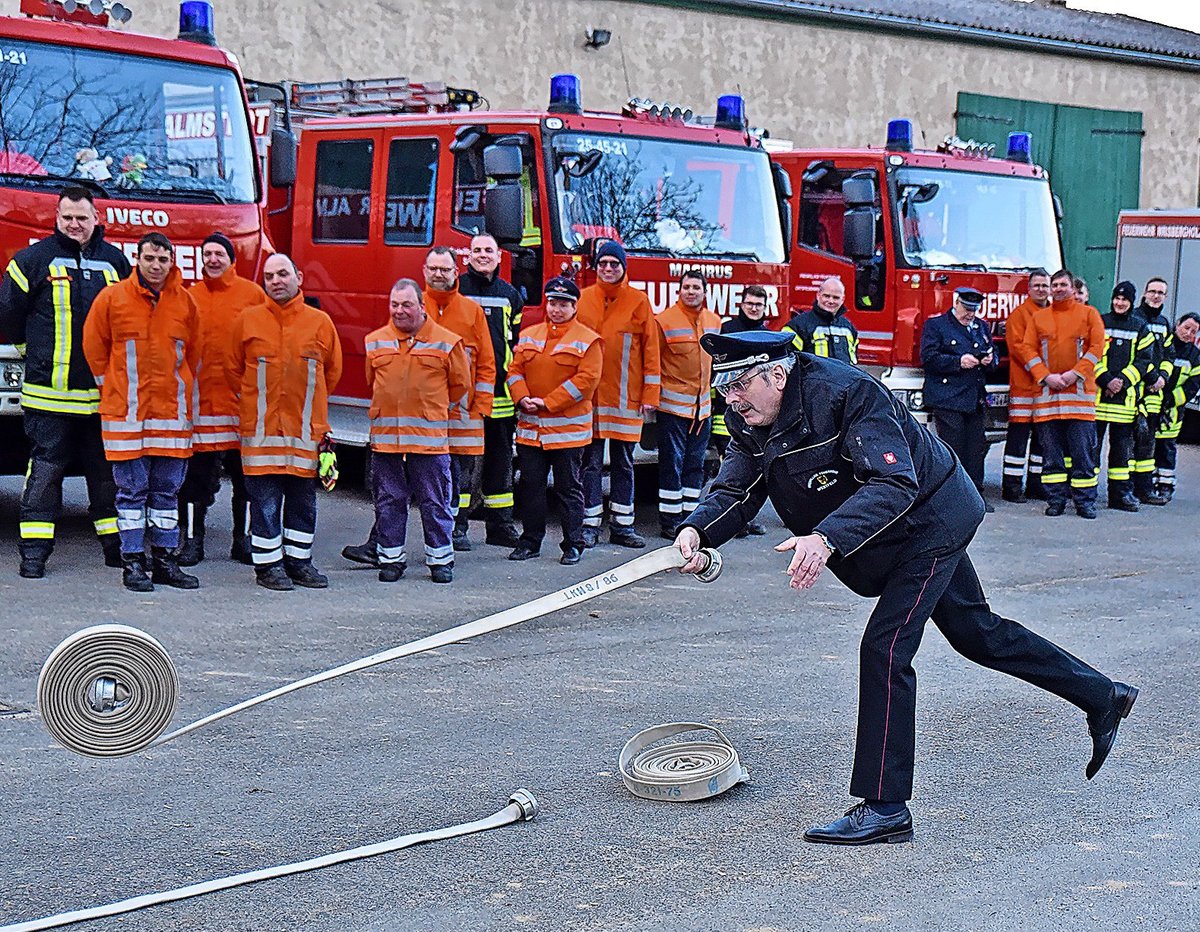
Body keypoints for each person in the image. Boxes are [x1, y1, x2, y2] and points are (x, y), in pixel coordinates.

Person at [675, 329, 1136, 845]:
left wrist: (825, 539)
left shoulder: (850, 393)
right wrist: (697, 530)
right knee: (977, 633)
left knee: (885, 648)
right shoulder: (751, 414)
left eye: (737, 387)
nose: (729, 401)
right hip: (887, 532)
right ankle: (1104, 695)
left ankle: (886, 806)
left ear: (776, 375)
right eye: (723, 389)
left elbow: (894, 483)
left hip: (930, 520)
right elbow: (738, 487)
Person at [0, 185, 128, 578]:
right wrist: (30, 352)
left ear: (96, 219)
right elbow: (7, 316)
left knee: (105, 476)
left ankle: (116, 549)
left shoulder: (116, 264)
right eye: (67, 217)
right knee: (44, 474)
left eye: (81, 218)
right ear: (56, 219)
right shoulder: (32, 261)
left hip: (99, 397)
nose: (74, 224)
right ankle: (34, 555)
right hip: (48, 397)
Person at [82, 232, 200, 592]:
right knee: (131, 494)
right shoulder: (113, 298)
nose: (156, 265)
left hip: (171, 417)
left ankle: (165, 561)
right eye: (150, 258)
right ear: (138, 258)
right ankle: (132, 563)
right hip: (127, 416)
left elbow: (193, 355)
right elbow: (93, 345)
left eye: (163, 259)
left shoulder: (186, 303)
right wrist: (112, 387)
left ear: (172, 261)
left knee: (167, 494)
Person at [227, 254, 343, 591]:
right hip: (261, 435)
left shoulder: (320, 323)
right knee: (264, 505)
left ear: (299, 277)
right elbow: (233, 371)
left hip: (305, 434)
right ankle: (267, 568)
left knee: (303, 504)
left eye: (282, 274)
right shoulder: (247, 321)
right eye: (269, 276)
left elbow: (331, 373)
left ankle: (299, 564)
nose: (276, 280)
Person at [365, 278, 470, 583]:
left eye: (406, 304)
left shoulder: (447, 342)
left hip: (429, 442)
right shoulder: (375, 341)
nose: (399, 311)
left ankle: (440, 561)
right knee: (388, 502)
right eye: (394, 304)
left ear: (422, 307)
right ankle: (391, 559)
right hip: (386, 442)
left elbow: (460, 385)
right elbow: (371, 381)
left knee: (434, 501)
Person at [178, 232, 266, 565]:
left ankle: (241, 541)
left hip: (240, 406)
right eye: (208, 254)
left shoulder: (252, 295)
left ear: (232, 259)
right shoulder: (189, 296)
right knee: (193, 482)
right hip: (200, 408)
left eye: (219, 254)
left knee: (245, 482)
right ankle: (192, 541)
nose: (213, 259)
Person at [506, 277, 602, 565]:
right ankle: (530, 541)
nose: (557, 309)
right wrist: (521, 396)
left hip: (568, 432)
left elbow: (585, 382)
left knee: (568, 489)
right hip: (531, 429)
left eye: (563, 304)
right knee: (531, 486)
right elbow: (514, 370)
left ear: (574, 307)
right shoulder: (530, 333)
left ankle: (573, 543)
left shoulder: (588, 339)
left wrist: (547, 403)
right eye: (552, 303)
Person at [577, 239, 661, 549]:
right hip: (592, 399)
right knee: (591, 463)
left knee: (625, 463)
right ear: (596, 267)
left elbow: (651, 350)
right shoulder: (583, 300)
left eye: (614, 264)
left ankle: (623, 526)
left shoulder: (639, 302)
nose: (608, 269)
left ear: (623, 268)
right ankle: (589, 524)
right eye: (603, 264)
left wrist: (651, 394)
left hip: (627, 400)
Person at [423, 246, 495, 551]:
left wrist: (481, 405)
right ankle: (436, 531)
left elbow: (487, 363)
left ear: (456, 272)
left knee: (458, 472)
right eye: (434, 269)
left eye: (445, 269)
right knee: (425, 474)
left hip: (463, 410)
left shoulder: (471, 311)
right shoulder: (415, 306)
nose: (439, 275)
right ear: (424, 271)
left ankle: (457, 527)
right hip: (423, 410)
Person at [1019, 269, 1105, 519]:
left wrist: (1073, 374)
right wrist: (1046, 376)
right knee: (1052, 458)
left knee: (1083, 456)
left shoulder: (1089, 315)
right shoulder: (1039, 318)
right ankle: (1055, 500)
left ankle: (1085, 503)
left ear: (1072, 287)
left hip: (1079, 401)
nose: (1058, 289)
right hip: (1047, 400)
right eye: (1054, 285)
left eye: (1062, 284)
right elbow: (1027, 349)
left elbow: (1096, 348)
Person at [456, 233, 523, 547]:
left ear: (499, 256)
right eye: (477, 250)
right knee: (463, 462)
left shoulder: (510, 295)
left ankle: (500, 527)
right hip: (464, 395)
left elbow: (514, 345)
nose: (482, 255)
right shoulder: (457, 289)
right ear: (468, 256)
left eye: (488, 250)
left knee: (500, 462)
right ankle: (457, 526)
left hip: (500, 394)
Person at [655, 270, 721, 539]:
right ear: (678, 291)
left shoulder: (714, 322)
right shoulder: (664, 320)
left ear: (705, 292)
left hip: (702, 407)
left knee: (695, 464)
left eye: (696, 287)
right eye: (686, 287)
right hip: (672, 406)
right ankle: (670, 521)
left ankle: (691, 518)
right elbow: (653, 361)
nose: (691, 291)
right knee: (672, 463)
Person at [919, 287, 996, 510]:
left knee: (976, 448)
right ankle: (952, 497)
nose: (969, 314)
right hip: (948, 397)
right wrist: (957, 362)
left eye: (974, 310)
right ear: (956, 303)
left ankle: (975, 497)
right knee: (953, 448)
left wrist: (989, 360)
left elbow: (992, 354)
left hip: (974, 398)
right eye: (966, 309)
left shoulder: (980, 327)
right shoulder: (937, 325)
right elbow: (929, 357)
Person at [710, 285, 770, 536]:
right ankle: (733, 521)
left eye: (758, 304)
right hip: (729, 411)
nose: (754, 308)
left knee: (755, 468)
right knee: (733, 470)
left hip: (757, 413)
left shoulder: (767, 334)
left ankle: (746, 519)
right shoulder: (729, 331)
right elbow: (717, 372)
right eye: (750, 304)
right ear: (741, 305)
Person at [1094, 281, 1154, 512]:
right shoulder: (1100, 322)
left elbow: (1144, 360)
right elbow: (1091, 353)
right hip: (1098, 400)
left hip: (1125, 403)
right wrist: (1106, 379)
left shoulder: (1140, 327)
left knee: (1121, 455)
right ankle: (1085, 495)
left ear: (1131, 302)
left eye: (1125, 300)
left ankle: (1119, 496)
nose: (1120, 303)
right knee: (1091, 451)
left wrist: (1122, 382)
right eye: (1117, 299)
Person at [1002, 270, 1051, 503]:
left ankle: (1036, 484)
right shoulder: (1020, 315)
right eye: (1037, 285)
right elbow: (1019, 349)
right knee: (1018, 441)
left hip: (1047, 388)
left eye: (1045, 285)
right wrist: (1044, 370)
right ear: (1029, 289)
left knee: (1042, 440)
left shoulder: (1055, 313)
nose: (1041, 289)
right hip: (1025, 386)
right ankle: (1011, 488)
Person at [1152, 312, 1200, 502]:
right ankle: (1144, 484)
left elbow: (1193, 385)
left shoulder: (1195, 356)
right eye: (1186, 328)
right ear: (1177, 324)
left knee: (1167, 448)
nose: (1188, 333)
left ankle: (1165, 486)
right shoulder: (1163, 344)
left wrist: (1170, 400)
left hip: (1173, 410)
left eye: (1193, 331)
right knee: (1145, 448)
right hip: (1151, 404)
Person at [1131, 277, 1171, 505]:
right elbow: (1138, 356)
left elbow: (1169, 355)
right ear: (1144, 294)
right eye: (1153, 291)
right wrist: (1151, 377)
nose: (1156, 296)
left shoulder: (1164, 323)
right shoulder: (1135, 319)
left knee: (1147, 446)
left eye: (1161, 293)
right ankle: (1125, 490)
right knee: (1128, 445)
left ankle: (1144, 490)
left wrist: (1163, 377)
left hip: (1155, 395)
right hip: (1135, 393)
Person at [784, 276, 858, 364]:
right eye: (826, 296)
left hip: (845, 377)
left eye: (836, 297)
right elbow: (788, 361)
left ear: (843, 299)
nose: (831, 301)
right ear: (818, 295)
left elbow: (853, 360)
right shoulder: (798, 326)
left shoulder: (849, 327)